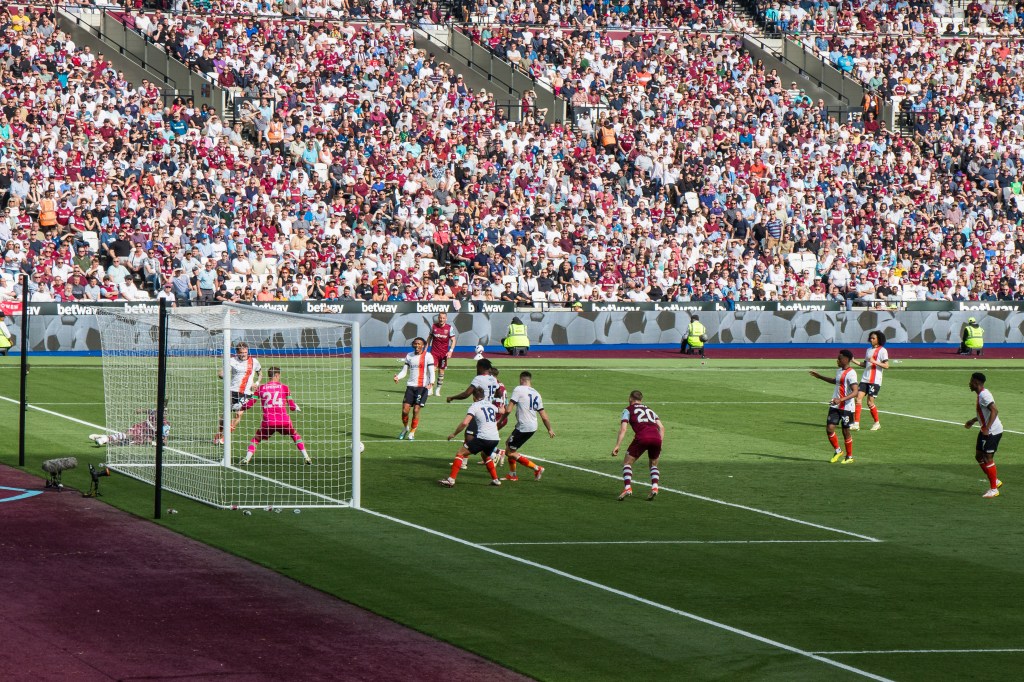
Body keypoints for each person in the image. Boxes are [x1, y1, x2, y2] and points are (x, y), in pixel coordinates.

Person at [239, 367, 311, 465]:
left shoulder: (261, 388)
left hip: (268, 421)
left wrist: (240, 407)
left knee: (256, 439)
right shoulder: (284, 387)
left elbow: (250, 404)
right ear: (277, 375)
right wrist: (296, 407)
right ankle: (307, 457)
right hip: (284, 421)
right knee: (294, 435)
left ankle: (246, 459)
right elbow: (292, 406)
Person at [438, 386, 503, 488]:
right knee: (485, 455)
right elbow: (502, 411)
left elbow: (465, 423)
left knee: (460, 453)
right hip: (495, 438)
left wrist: (454, 434)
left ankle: (451, 480)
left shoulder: (474, 406)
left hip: (483, 438)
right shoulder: (490, 405)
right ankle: (495, 480)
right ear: (483, 396)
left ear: (473, 397)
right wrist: (501, 401)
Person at [494, 371, 554, 481]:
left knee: (509, 452)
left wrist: (500, 421)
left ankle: (537, 468)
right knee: (508, 444)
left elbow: (509, 409)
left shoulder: (519, 389)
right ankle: (512, 475)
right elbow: (544, 416)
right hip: (532, 426)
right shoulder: (537, 394)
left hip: (524, 427)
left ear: (521, 380)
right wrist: (549, 429)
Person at [611, 390, 665, 500]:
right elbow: (662, 427)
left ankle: (627, 488)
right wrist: (660, 443)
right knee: (653, 465)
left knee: (627, 463)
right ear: (641, 399)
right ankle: (655, 487)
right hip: (656, 438)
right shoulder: (650, 409)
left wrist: (617, 445)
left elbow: (623, 429)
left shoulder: (628, 410)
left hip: (642, 437)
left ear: (630, 398)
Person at [447, 358, 499, 469]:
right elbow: (499, 392)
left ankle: (494, 453)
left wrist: (452, 397)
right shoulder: (493, 379)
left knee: (470, 435)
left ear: (480, 367)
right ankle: (464, 462)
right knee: (472, 435)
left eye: (477, 367)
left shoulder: (479, 378)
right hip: (489, 410)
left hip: (480, 409)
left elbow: (466, 394)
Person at [810, 350, 860, 464]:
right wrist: (819, 377)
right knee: (829, 428)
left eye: (839, 358)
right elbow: (835, 381)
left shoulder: (851, 373)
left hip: (847, 407)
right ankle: (838, 451)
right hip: (835, 405)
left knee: (845, 431)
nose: (837, 360)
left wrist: (840, 399)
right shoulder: (839, 371)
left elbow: (855, 391)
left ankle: (849, 457)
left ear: (846, 359)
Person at [214, 342, 262, 445]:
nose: (244, 354)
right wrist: (221, 374)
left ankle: (225, 437)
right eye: (241, 352)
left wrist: (257, 383)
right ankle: (219, 433)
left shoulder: (254, 361)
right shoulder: (232, 361)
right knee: (225, 415)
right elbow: (222, 372)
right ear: (237, 352)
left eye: (245, 352)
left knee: (238, 414)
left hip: (247, 393)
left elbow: (260, 373)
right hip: (232, 391)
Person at [965, 372, 1004, 498]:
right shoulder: (981, 394)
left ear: (976, 382)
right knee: (979, 456)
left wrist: (987, 428)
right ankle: (995, 481)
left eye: (971, 381)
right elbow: (985, 413)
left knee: (987, 458)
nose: (969, 383)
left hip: (993, 431)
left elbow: (994, 410)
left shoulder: (984, 395)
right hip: (985, 430)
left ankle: (994, 489)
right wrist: (973, 420)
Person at [394, 337, 435, 441]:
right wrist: (398, 377)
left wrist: (431, 382)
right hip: (410, 387)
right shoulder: (409, 355)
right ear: (413, 344)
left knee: (416, 410)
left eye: (419, 344)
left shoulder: (428, 356)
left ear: (423, 345)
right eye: (415, 343)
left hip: (422, 387)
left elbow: (431, 371)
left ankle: (412, 432)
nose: (417, 345)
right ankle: (405, 428)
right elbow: (404, 371)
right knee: (405, 410)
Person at [852, 330, 889, 431]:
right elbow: (865, 364)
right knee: (858, 399)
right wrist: (853, 360)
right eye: (870, 338)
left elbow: (886, 365)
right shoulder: (868, 350)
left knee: (869, 402)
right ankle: (856, 423)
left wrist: (874, 362)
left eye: (873, 338)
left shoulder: (883, 351)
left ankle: (877, 423)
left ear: (878, 339)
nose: (871, 340)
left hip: (875, 380)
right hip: (865, 379)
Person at [90, 408, 169, 447]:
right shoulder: (153, 413)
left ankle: (104, 438)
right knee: (127, 435)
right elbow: (148, 410)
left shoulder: (165, 425)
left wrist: (153, 443)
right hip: (139, 428)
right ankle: (103, 439)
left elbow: (165, 441)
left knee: (123, 443)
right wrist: (140, 410)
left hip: (145, 436)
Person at [426, 312, 456, 396]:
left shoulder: (449, 328)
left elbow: (453, 340)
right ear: (438, 318)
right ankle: (430, 388)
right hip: (434, 353)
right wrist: (425, 349)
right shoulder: (434, 326)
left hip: (443, 354)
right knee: (432, 370)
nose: (441, 319)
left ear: (446, 319)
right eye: (440, 318)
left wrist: (450, 351)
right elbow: (429, 338)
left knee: (441, 371)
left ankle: (438, 390)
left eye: (443, 318)